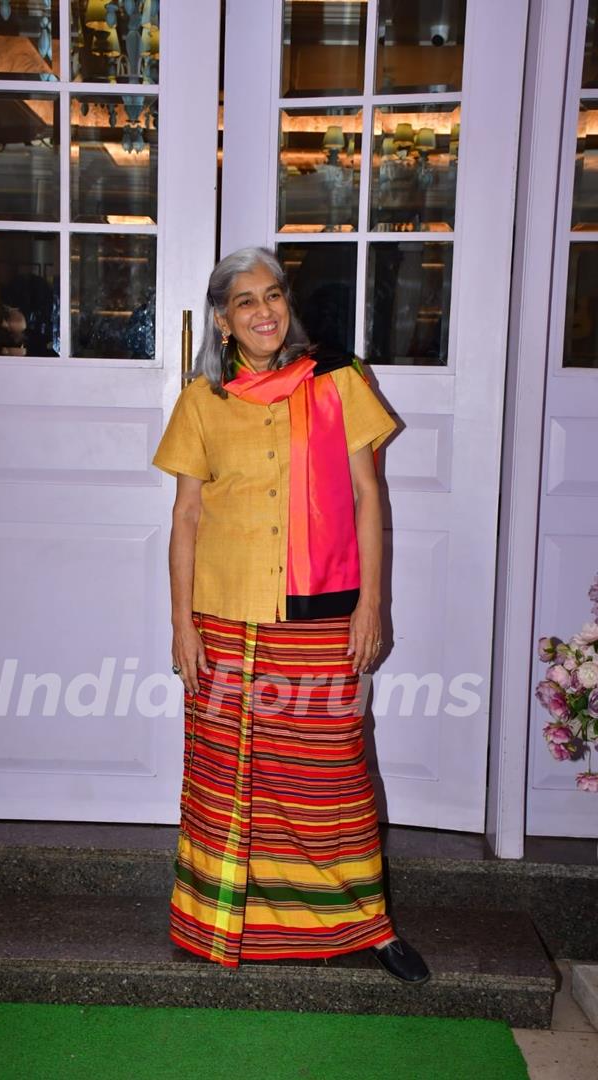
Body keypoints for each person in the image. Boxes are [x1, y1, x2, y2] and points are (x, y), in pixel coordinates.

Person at [151, 246, 429, 982]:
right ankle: (217, 924)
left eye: (273, 295)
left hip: (321, 613)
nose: (265, 311)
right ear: (222, 320)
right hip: (224, 616)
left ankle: (364, 927)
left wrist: (373, 603)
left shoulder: (337, 380)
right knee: (225, 775)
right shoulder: (201, 401)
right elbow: (185, 518)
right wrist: (181, 625)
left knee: (330, 771)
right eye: (246, 301)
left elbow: (371, 496)